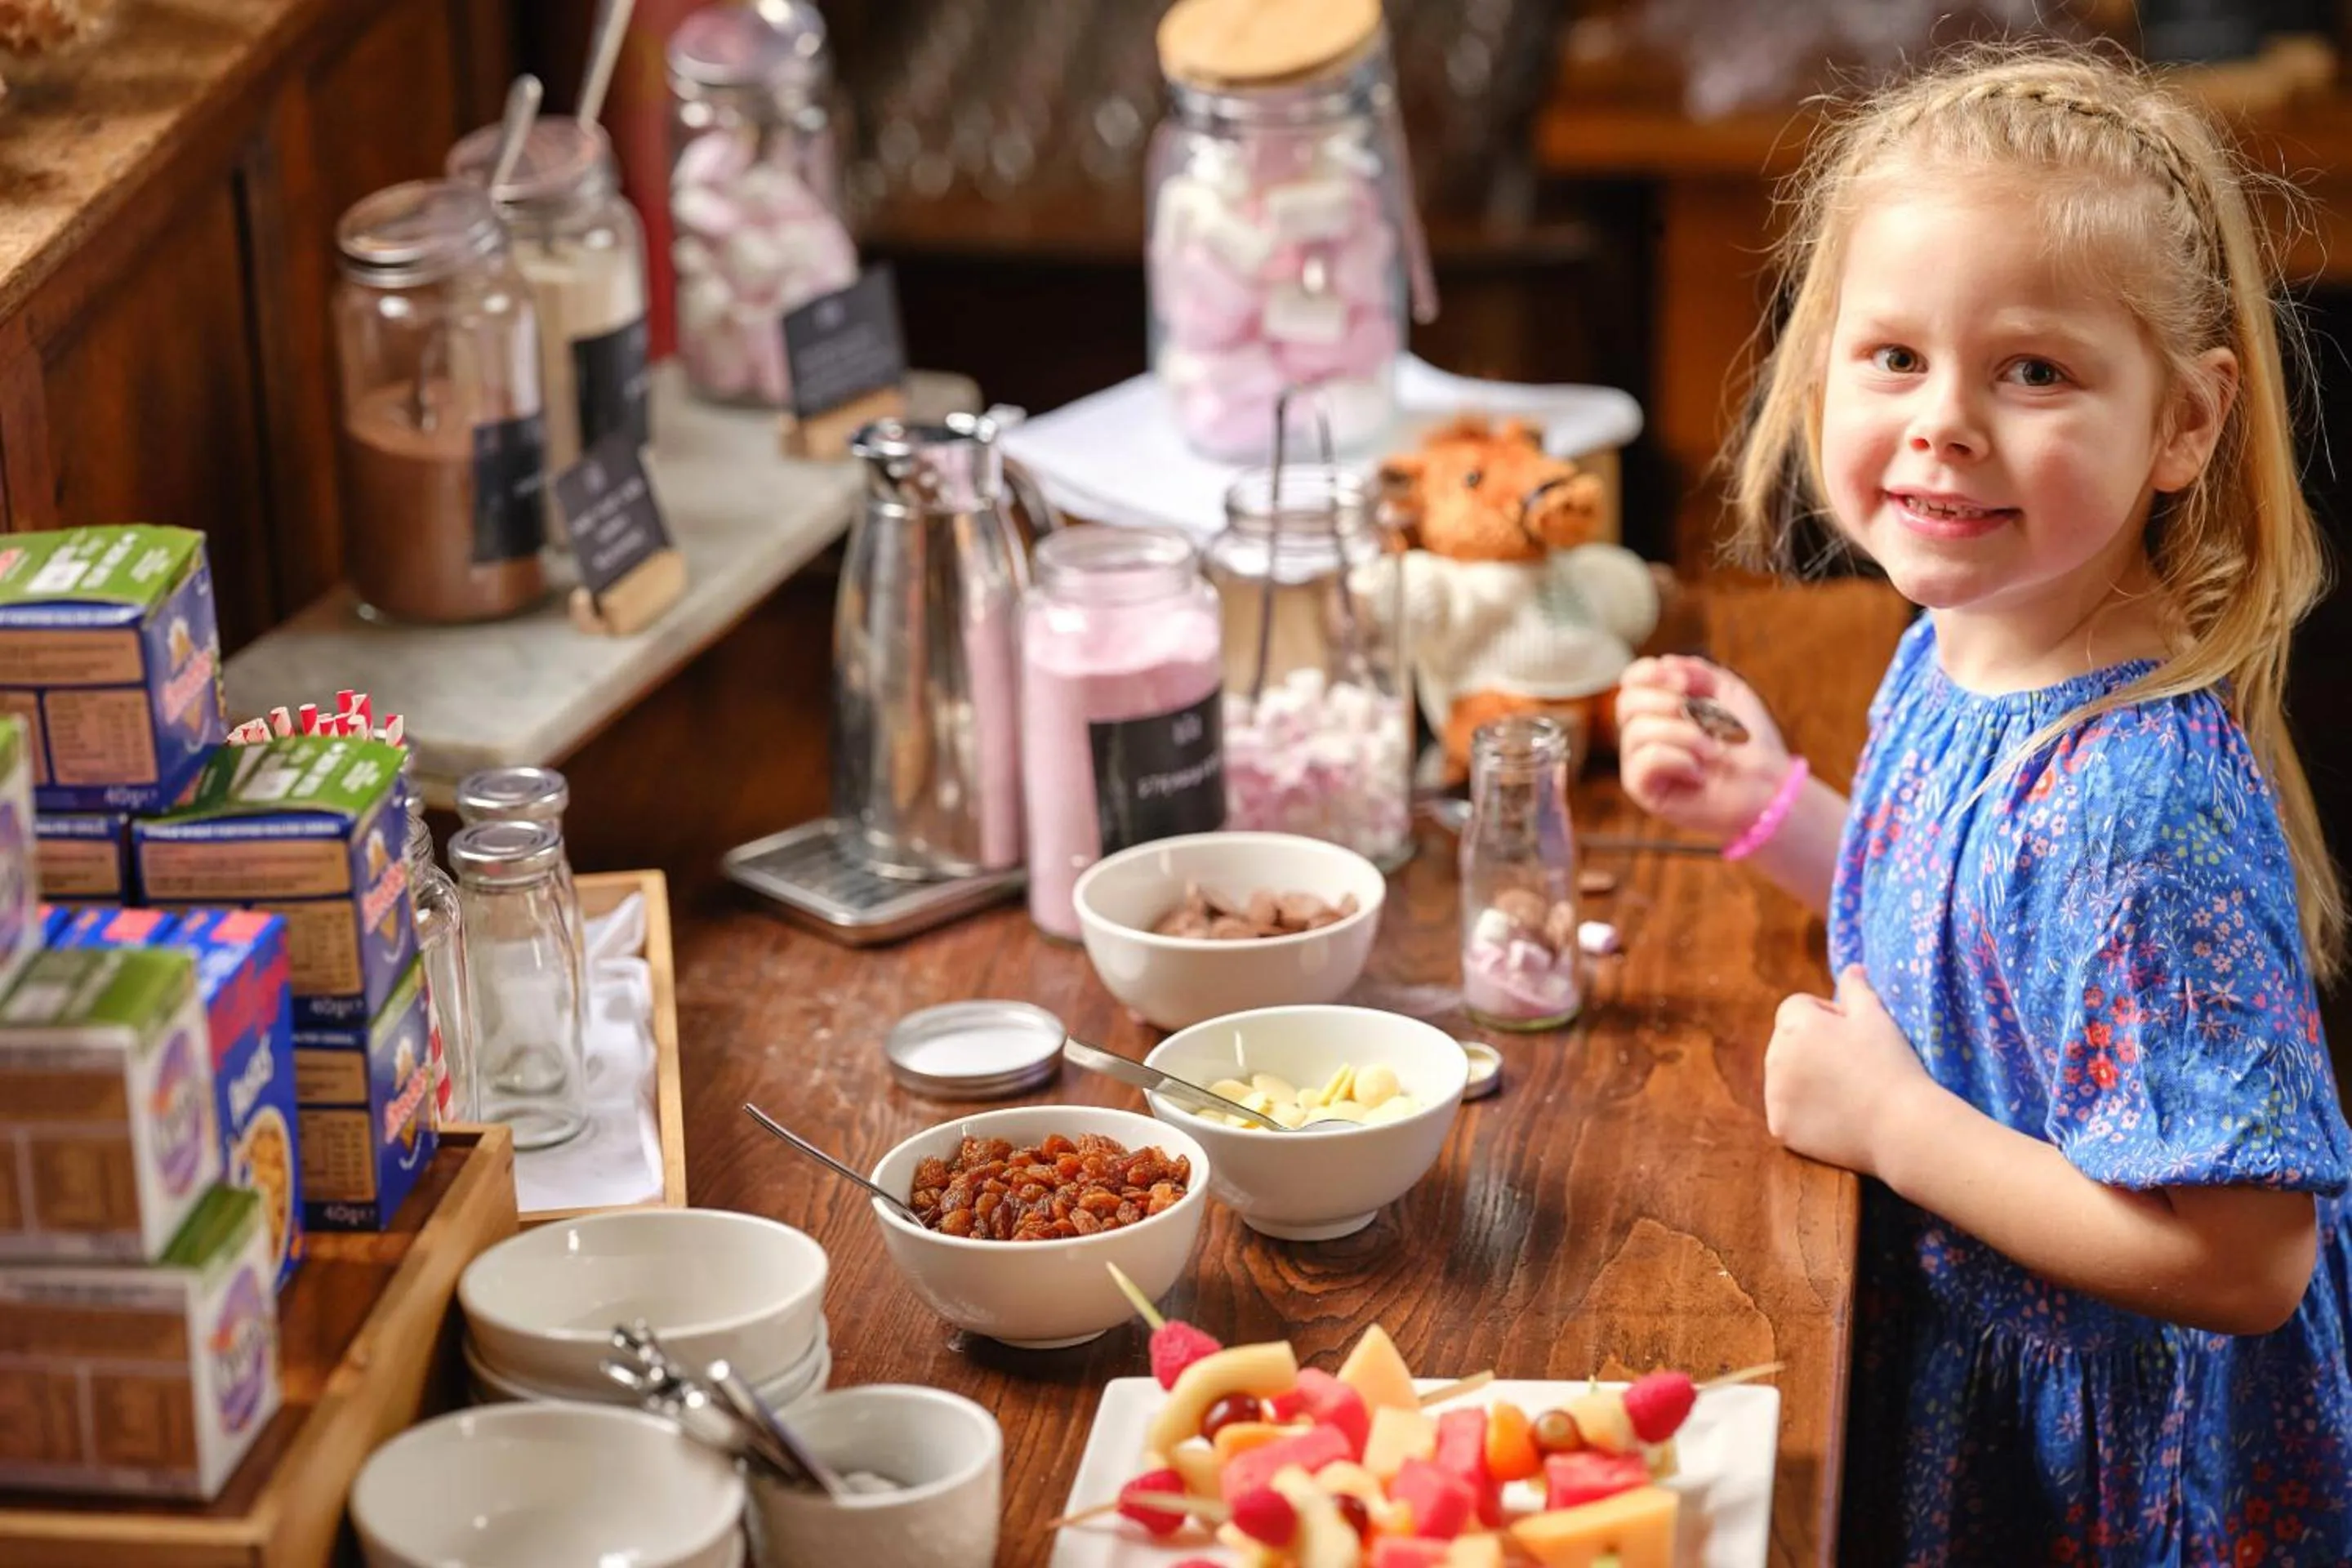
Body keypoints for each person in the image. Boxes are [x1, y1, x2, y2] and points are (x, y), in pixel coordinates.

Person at [1616, 43, 2352, 1565]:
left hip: (2112, 1463)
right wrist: (1780, 813)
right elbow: (1986, 942)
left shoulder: (2136, 804)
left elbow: (2247, 1256)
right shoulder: (1965, 638)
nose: (1946, 419)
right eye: (1894, 356)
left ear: (2185, 424)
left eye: (2034, 370)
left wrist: (1892, 1125)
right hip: (1974, 1352)